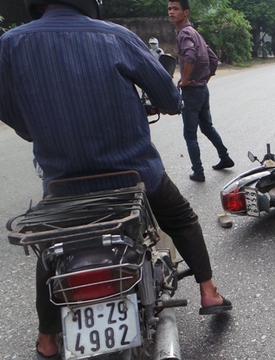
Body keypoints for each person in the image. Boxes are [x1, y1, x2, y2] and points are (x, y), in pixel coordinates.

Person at [0, 1, 232, 358]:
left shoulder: (10, 43)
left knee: (53, 249)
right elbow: (170, 100)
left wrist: (35, 128)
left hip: (63, 185)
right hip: (135, 177)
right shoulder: (116, 36)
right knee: (182, 218)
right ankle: (209, 291)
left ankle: (47, 339)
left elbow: (8, 108)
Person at [168, 0, 234, 182]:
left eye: (175, 9)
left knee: (190, 134)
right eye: (169, 9)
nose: (171, 12)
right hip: (202, 89)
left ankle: (198, 172)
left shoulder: (184, 34)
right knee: (207, 127)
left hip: (192, 91)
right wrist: (205, 79)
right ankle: (225, 157)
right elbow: (212, 58)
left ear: (186, 12)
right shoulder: (195, 33)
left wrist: (186, 79)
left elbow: (190, 56)